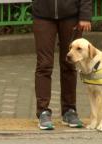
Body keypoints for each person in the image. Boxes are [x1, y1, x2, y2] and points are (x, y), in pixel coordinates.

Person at [32, 0, 92, 130]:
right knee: (44, 65)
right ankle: (43, 111)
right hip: (43, 16)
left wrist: (85, 15)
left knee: (70, 64)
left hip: (71, 15)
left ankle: (69, 110)